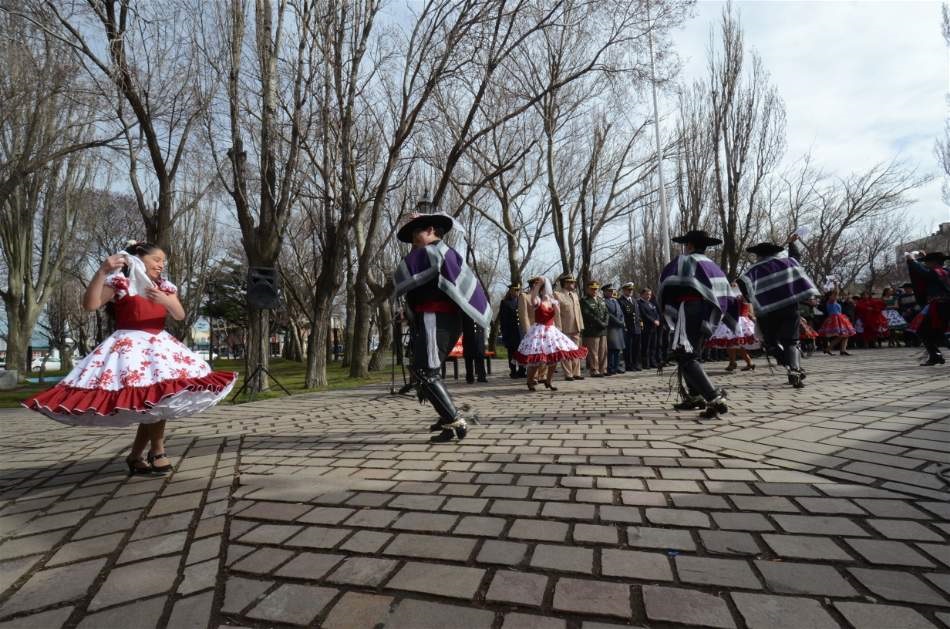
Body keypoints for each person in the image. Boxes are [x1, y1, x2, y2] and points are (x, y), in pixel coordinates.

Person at [23, 241, 238, 474]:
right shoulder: (120, 282)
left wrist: (164, 300)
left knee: (158, 398)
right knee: (155, 399)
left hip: (160, 348)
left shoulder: (165, 286)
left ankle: (139, 455)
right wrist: (103, 270)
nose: (161, 265)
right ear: (139, 258)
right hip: (129, 349)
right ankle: (157, 451)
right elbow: (90, 304)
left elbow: (179, 314)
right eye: (157, 260)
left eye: (163, 261)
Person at [392, 207, 492, 442]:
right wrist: (408, 313)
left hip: (435, 319)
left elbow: (403, 273)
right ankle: (447, 422)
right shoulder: (443, 254)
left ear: (430, 230)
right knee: (428, 371)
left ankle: (455, 418)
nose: (413, 241)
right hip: (435, 319)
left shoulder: (434, 252)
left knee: (425, 372)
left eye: (416, 233)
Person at [657, 230, 736, 419]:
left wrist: (668, 304)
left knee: (685, 354)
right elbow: (725, 295)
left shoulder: (686, 261)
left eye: (686, 246)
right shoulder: (713, 266)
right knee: (691, 354)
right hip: (707, 314)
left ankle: (714, 396)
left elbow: (666, 281)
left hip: (690, 310)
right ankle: (695, 396)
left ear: (690, 245)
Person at [738, 234, 820, 388]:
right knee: (791, 341)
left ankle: (789, 367)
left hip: (766, 312)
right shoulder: (788, 263)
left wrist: (753, 300)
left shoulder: (751, 271)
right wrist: (791, 244)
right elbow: (796, 257)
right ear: (774, 253)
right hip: (789, 308)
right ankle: (794, 369)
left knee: (771, 344)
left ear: (758, 255)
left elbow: (743, 287)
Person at [515, 278, 588, 391]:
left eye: (546, 289)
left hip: (551, 331)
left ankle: (548, 381)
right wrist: (538, 285)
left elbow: (557, 314)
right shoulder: (537, 300)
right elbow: (533, 299)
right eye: (544, 289)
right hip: (538, 331)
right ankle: (530, 381)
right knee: (536, 359)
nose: (547, 292)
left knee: (554, 358)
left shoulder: (552, 301)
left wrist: (554, 304)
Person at [905, 251, 950, 366]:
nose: (926, 264)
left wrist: (911, 260)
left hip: (941, 306)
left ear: (934, 262)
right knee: (926, 331)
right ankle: (935, 355)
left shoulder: (940, 272)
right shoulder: (943, 271)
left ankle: (935, 355)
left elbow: (923, 272)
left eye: (927, 262)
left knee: (932, 332)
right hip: (938, 306)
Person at [706, 285, 757, 372]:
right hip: (735, 320)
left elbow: (748, 308)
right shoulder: (738, 295)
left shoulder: (739, 295)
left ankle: (747, 362)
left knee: (735, 344)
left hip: (737, 321)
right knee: (731, 344)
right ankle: (733, 363)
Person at [553, 274, 585, 381]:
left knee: (575, 350)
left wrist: (581, 325)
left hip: (576, 326)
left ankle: (577, 372)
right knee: (566, 351)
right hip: (564, 327)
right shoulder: (557, 295)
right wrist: (558, 328)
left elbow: (578, 311)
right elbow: (556, 313)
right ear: (565, 283)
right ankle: (568, 373)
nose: (573, 284)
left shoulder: (575, 295)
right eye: (571, 282)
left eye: (573, 282)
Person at [580, 281, 609, 377]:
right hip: (592, 330)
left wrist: (605, 322)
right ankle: (594, 370)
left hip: (602, 330)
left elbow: (606, 313)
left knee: (603, 351)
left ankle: (603, 369)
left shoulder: (601, 300)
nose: (594, 290)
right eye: (592, 289)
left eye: (596, 289)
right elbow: (588, 314)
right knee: (593, 352)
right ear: (587, 289)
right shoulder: (585, 301)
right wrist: (599, 322)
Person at [497, 283, 526, 378]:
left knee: (522, 351)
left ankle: (522, 370)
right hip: (511, 332)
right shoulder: (505, 303)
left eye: (518, 290)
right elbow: (503, 319)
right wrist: (504, 332)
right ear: (510, 291)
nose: (517, 292)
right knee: (512, 352)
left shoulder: (521, 301)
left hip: (521, 331)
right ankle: (513, 371)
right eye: (515, 290)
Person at [818, 289, 856, 356]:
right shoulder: (830, 301)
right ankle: (830, 349)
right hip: (834, 319)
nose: (836, 296)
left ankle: (841, 350)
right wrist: (836, 286)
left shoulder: (836, 302)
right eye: (834, 295)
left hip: (840, 318)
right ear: (830, 296)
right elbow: (836, 293)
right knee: (842, 336)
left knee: (846, 335)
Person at [619, 282, 642, 371]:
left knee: (636, 347)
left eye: (631, 290)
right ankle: (629, 365)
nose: (630, 291)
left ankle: (636, 364)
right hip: (628, 327)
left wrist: (640, 324)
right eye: (628, 290)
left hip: (636, 327)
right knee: (628, 347)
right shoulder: (621, 301)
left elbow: (638, 314)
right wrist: (624, 326)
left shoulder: (634, 300)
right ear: (624, 290)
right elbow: (622, 315)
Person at [603, 285, 626, 375]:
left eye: (612, 291)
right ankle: (610, 368)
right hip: (611, 327)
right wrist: (618, 322)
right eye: (609, 291)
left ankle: (616, 367)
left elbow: (620, 313)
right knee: (611, 349)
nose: (611, 292)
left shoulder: (615, 301)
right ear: (604, 292)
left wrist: (622, 321)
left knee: (617, 349)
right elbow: (608, 314)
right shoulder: (604, 301)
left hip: (618, 328)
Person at [638, 288, 661, 369]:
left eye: (650, 295)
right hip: (646, 328)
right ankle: (646, 363)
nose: (649, 296)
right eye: (647, 294)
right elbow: (644, 314)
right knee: (646, 346)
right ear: (642, 294)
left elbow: (656, 313)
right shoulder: (640, 303)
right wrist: (653, 320)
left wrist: (657, 319)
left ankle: (652, 362)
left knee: (653, 345)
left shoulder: (651, 303)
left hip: (654, 327)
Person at [461, 313, 487, 383]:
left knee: (480, 356)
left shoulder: (480, 310)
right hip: (468, 336)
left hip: (479, 335)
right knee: (468, 357)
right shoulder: (465, 309)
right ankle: (469, 377)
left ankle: (481, 376)